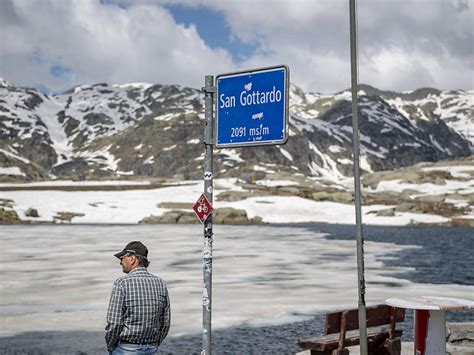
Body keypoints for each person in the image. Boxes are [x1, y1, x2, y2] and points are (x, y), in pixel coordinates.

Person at [105, 241, 170, 354]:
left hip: (126, 348)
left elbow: (114, 323)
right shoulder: (160, 283)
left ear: (132, 258)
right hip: (152, 348)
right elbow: (165, 321)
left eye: (122, 258)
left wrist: (111, 346)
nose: (120, 263)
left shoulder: (122, 283)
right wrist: (155, 343)